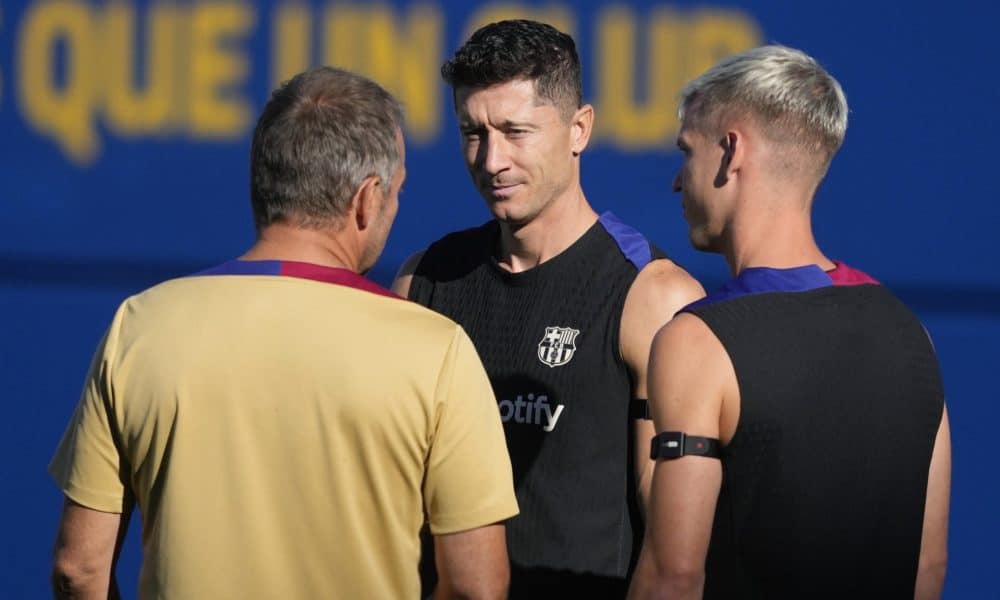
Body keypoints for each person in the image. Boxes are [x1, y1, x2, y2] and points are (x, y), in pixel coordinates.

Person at [48, 66, 518, 600]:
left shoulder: (141, 326)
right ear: (366, 199)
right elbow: (477, 588)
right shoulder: (438, 351)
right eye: (396, 193)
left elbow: (78, 569)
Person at [393, 19, 705, 597]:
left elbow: (675, 553)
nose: (491, 161)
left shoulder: (653, 298)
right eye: (472, 132)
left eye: (515, 131)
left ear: (578, 129)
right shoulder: (423, 282)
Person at [628, 45, 951, 599]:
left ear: (730, 152)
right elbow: (927, 567)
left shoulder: (696, 341)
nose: (677, 183)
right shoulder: (911, 334)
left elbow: (673, 578)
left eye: (687, 152)